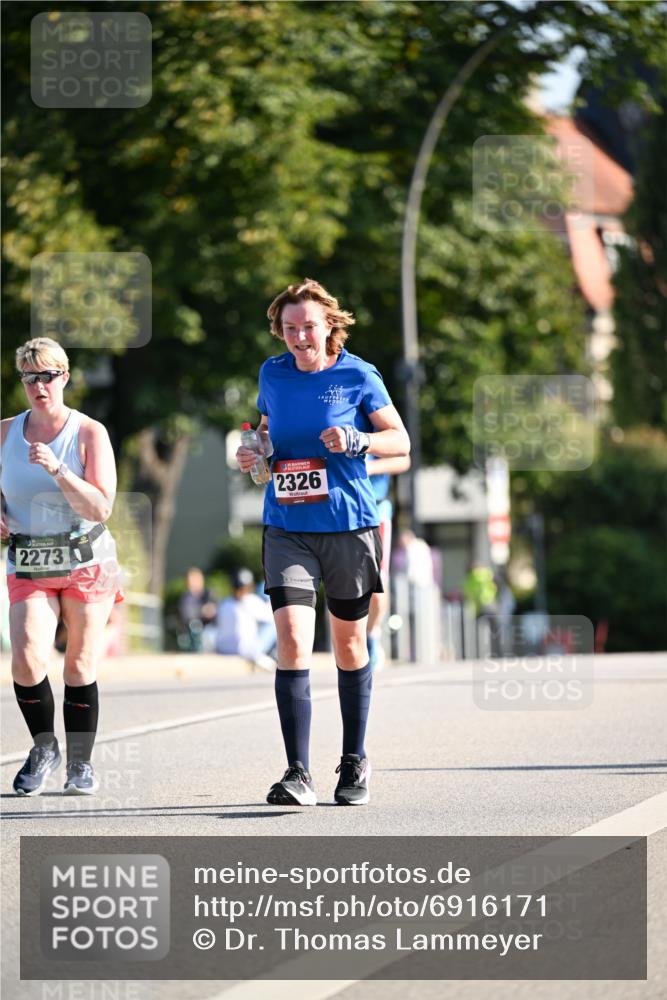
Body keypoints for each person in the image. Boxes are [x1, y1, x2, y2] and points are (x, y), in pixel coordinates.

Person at [236, 278, 410, 807]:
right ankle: (296, 772)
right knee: (290, 640)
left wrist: (359, 439)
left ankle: (354, 759)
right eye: (289, 329)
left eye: (307, 326)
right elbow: (267, 432)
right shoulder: (273, 373)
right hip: (287, 526)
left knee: (350, 645)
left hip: (348, 525)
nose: (299, 337)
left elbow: (400, 440)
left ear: (328, 324)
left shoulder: (358, 375)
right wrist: (256, 454)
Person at [0, 337, 122, 796]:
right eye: (29, 377)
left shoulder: (89, 433)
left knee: (79, 663)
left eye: (47, 376)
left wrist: (58, 470)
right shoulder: (5, 431)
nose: (39, 386)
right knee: (28, 656)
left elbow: (101, 508)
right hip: (29, 559)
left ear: (64, 377)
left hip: (86, 558)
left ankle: (80, 763)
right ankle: (43, 745)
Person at [365, 453, 411, 671]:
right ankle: (348, 643)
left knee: (376, 588)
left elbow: (403, 458)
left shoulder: (373, 420)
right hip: (337, 511)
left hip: (376, 511)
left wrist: (370, 467)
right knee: (338, 584)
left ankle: (371, 634)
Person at [215, 566, 277, 671]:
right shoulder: (251, 601)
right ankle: (276, 655)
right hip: (246, 649)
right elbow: (273, 617)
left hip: (223, 648)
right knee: (275, 625)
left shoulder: (224, 603)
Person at [178, 566, 217, 652]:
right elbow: (187, 615)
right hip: (195, 633)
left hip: (213, 630)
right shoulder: (187, 598)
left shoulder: (209, 594)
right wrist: (202, 611)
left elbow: (216, 610)